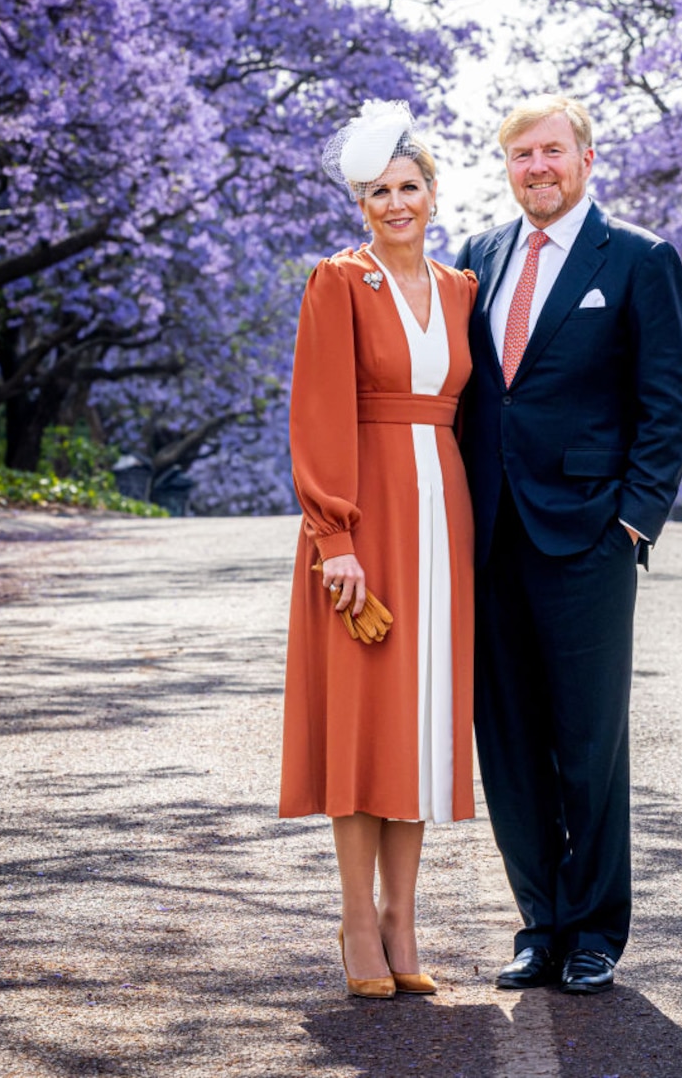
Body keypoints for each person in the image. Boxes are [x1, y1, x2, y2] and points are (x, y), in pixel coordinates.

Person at [455, 94, 682, 995]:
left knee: (588, 741)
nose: (537, 168)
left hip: (590, 535)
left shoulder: (637, 258)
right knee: (508, 739)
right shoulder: (479, 257)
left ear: (587, 160)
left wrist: (634, 518)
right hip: (489, 537)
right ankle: (540, 924)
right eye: (521, 155)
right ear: (508, 167)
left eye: (552, 151)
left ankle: (596, 929)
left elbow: (669, 399)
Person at [279, 100, 477, 999]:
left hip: (445, 521)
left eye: (409, 186)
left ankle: (405, 921)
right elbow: (317, 414)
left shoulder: (462, 289)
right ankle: (357, 920)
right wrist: (335, 537)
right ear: (360, 202)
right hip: (366, 525)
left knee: (424, 725)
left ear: (433, 192)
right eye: (377, 192)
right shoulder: (338, 280)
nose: (395, 203)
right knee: (364, 721)